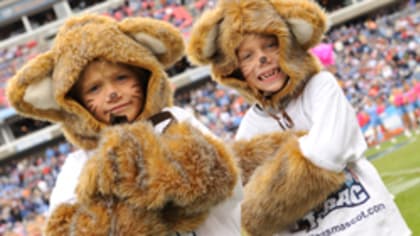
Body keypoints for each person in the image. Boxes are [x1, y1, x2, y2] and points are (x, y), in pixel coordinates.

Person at [187, 0, 411, 235]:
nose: (261, 59)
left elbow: (329, 152)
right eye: (247, 56)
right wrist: (306, 147)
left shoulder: (321, 86)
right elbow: (246, 211)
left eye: (270, 45)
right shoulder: (250, 129)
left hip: (375, 227)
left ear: (288, 46)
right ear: (235, 70)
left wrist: (272, 180)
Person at [6, 14, 242, 235]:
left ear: (144, 78)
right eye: (94, 89)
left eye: (121, 78)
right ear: (76, 105)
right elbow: (64, 228)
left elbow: (224, 183)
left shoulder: (176, 119)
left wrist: (150, 166)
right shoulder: (78, 166)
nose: (112, 94)